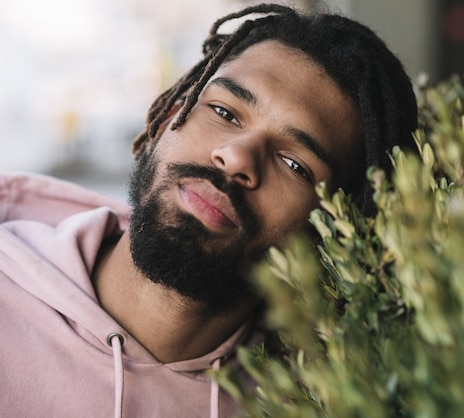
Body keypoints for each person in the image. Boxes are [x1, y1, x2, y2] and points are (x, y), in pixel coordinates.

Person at [0, 3, 417, 417]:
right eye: (223, 112)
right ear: (167, 118)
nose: (236, 158)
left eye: (295, 165)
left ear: (331, 226)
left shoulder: (308, 400)